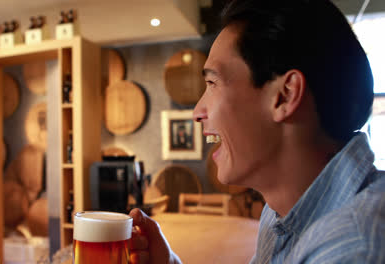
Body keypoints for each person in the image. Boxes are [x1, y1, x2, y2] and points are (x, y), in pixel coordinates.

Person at [129, 0, 385, 263]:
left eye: (212, 82)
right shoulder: (281, 211)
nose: (197, 111)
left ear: (284, 96)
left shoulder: (353, 249)